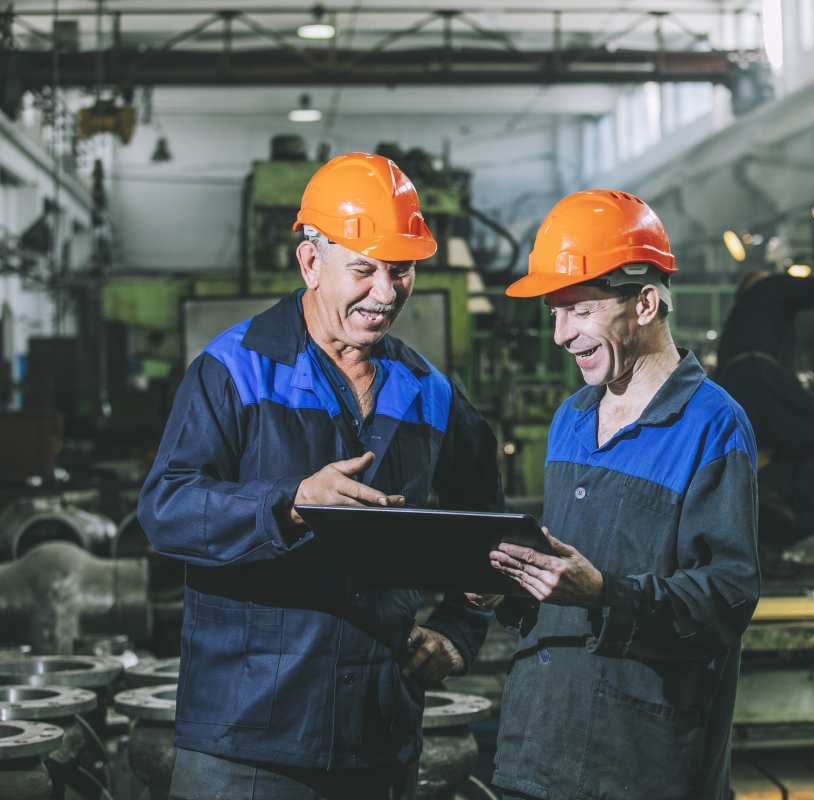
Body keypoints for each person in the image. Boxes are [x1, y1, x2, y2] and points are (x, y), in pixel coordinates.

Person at [138, 153, 504, 800]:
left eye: (402, 270)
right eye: (363, 269)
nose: (387, 293)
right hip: (245, 741)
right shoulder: (234, 371)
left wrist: (460, 626)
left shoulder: (427, 391)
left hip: (379, 730)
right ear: (311, 263)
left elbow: (489, 521)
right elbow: (166, 509)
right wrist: (288, 504)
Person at [472, 190, 760, 799]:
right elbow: (562, 591)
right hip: (539, 751)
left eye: (576, 310)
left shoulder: (712, 425)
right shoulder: (571, 418)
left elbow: (727, 598)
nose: (559, 335)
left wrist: (606, 595)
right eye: (553, 313)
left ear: (646, 303)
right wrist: (505, 587)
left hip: (639, 765)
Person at [715, 269, 814, 577]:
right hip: (760, 377)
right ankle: (765, 498)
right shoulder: (771, 288)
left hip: (732, 391)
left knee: (798, 447)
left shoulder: (742, 324)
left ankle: (760, 542)